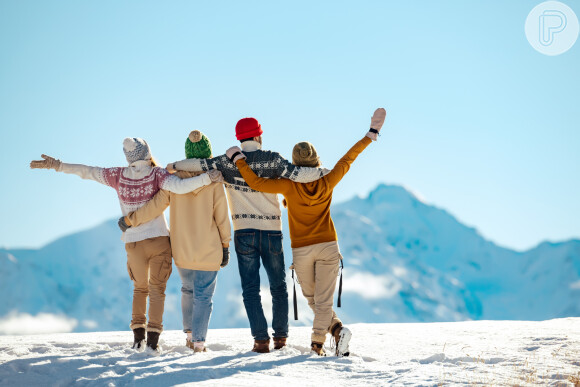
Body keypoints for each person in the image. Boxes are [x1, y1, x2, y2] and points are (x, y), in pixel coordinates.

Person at [29, 137, 223, 352]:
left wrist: (58, 165)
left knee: (140, 289)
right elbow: (181, 186)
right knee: (158, 291)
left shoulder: (117, 175)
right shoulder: (158, 174)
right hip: (159, 240)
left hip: (133, 243)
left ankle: (138, 338)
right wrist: (207, 179)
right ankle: (153, 342)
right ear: (147, 152)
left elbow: (88, 171)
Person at [227, 108, 386, 356]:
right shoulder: (328, 180)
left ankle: (317, 345)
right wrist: (371, 134)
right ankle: (337, 331)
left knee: (315, 300)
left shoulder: (288, 186)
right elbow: (348, 159)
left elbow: (256, 183)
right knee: (319, 302)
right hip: (328, 246)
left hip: (301, 251)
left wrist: (238, 160)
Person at [166, 118, 326, 353]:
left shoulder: (225, 162)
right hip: (271, 231)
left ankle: (260, 340)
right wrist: (327, 172)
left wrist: (172, 166)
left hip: (244, 232)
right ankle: (281, 338)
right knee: (278, 286)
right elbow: (298, 174)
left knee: (250, 289)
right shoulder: (272, 158)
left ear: (239, 138)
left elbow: (198, 164)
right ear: (259, 136)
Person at [119, 131, 230, 353]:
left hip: (181, 249)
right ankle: (199, 343)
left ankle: (190, 337)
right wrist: (226, 245)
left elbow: (155, 207)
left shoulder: (174, 180)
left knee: (188, 290)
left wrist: (131, 220)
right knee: (204, 296)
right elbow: (222, 218)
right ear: (206, 154)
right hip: (209, 248)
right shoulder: (214, 180)